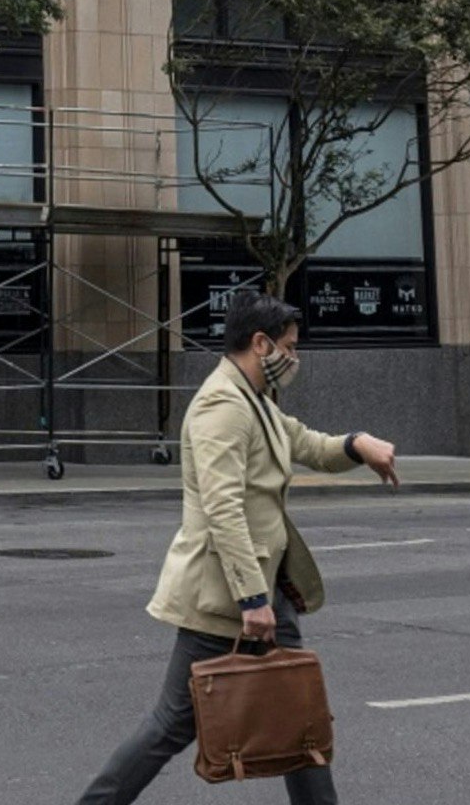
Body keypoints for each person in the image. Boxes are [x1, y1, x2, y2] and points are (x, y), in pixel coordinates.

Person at [76, 293, 401, 805]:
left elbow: (309, 444)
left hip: (270, 593)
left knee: (300, 713)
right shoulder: (221, 406)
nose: (294, 358)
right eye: (289, 348)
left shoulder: (258, 399)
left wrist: (356, 443)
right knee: (171, 725)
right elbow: (220, 507)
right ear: (260, 343)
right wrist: (252, 599)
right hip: (226, 599)